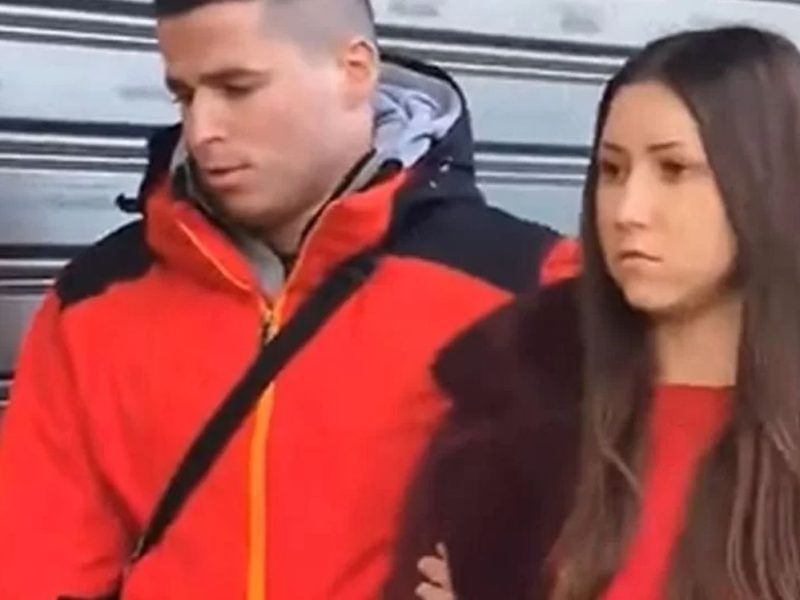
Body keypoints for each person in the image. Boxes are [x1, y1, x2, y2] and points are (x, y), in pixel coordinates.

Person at [0, 0, 574, 598]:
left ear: (354, 70)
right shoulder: (93, 300)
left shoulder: (530, 288)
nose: (202, 130)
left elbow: (604, 554)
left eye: (237, 88)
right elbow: (40, 564)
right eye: (184, 96)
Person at [389, 25, 800, 600]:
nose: (627, 210)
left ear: (769, 181)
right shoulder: (514, 406)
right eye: (611, 170)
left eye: (674, 169)